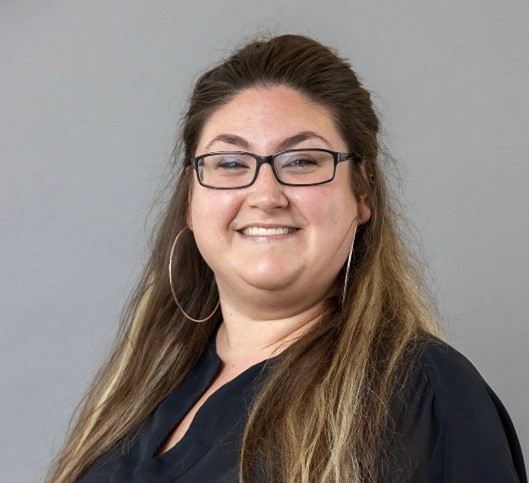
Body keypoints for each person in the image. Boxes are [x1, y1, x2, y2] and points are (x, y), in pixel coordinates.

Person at [47, 34, 527, 483]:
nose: (265, 194)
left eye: (301, 161)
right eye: (231, 163)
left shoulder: (426, 394)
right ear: (190, 199)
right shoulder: (141, 389)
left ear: (362, 192)